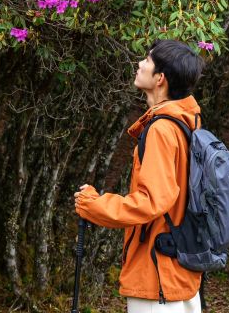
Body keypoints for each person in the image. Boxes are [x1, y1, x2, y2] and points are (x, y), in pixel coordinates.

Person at [74, 39, 205, 313]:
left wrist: (93, 205)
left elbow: (152, 201)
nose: (139, 64)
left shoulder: (162, 130)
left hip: (157, 274)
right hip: (181, 266)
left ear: (160, 79)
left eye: (147, 60)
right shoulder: (187, 122)